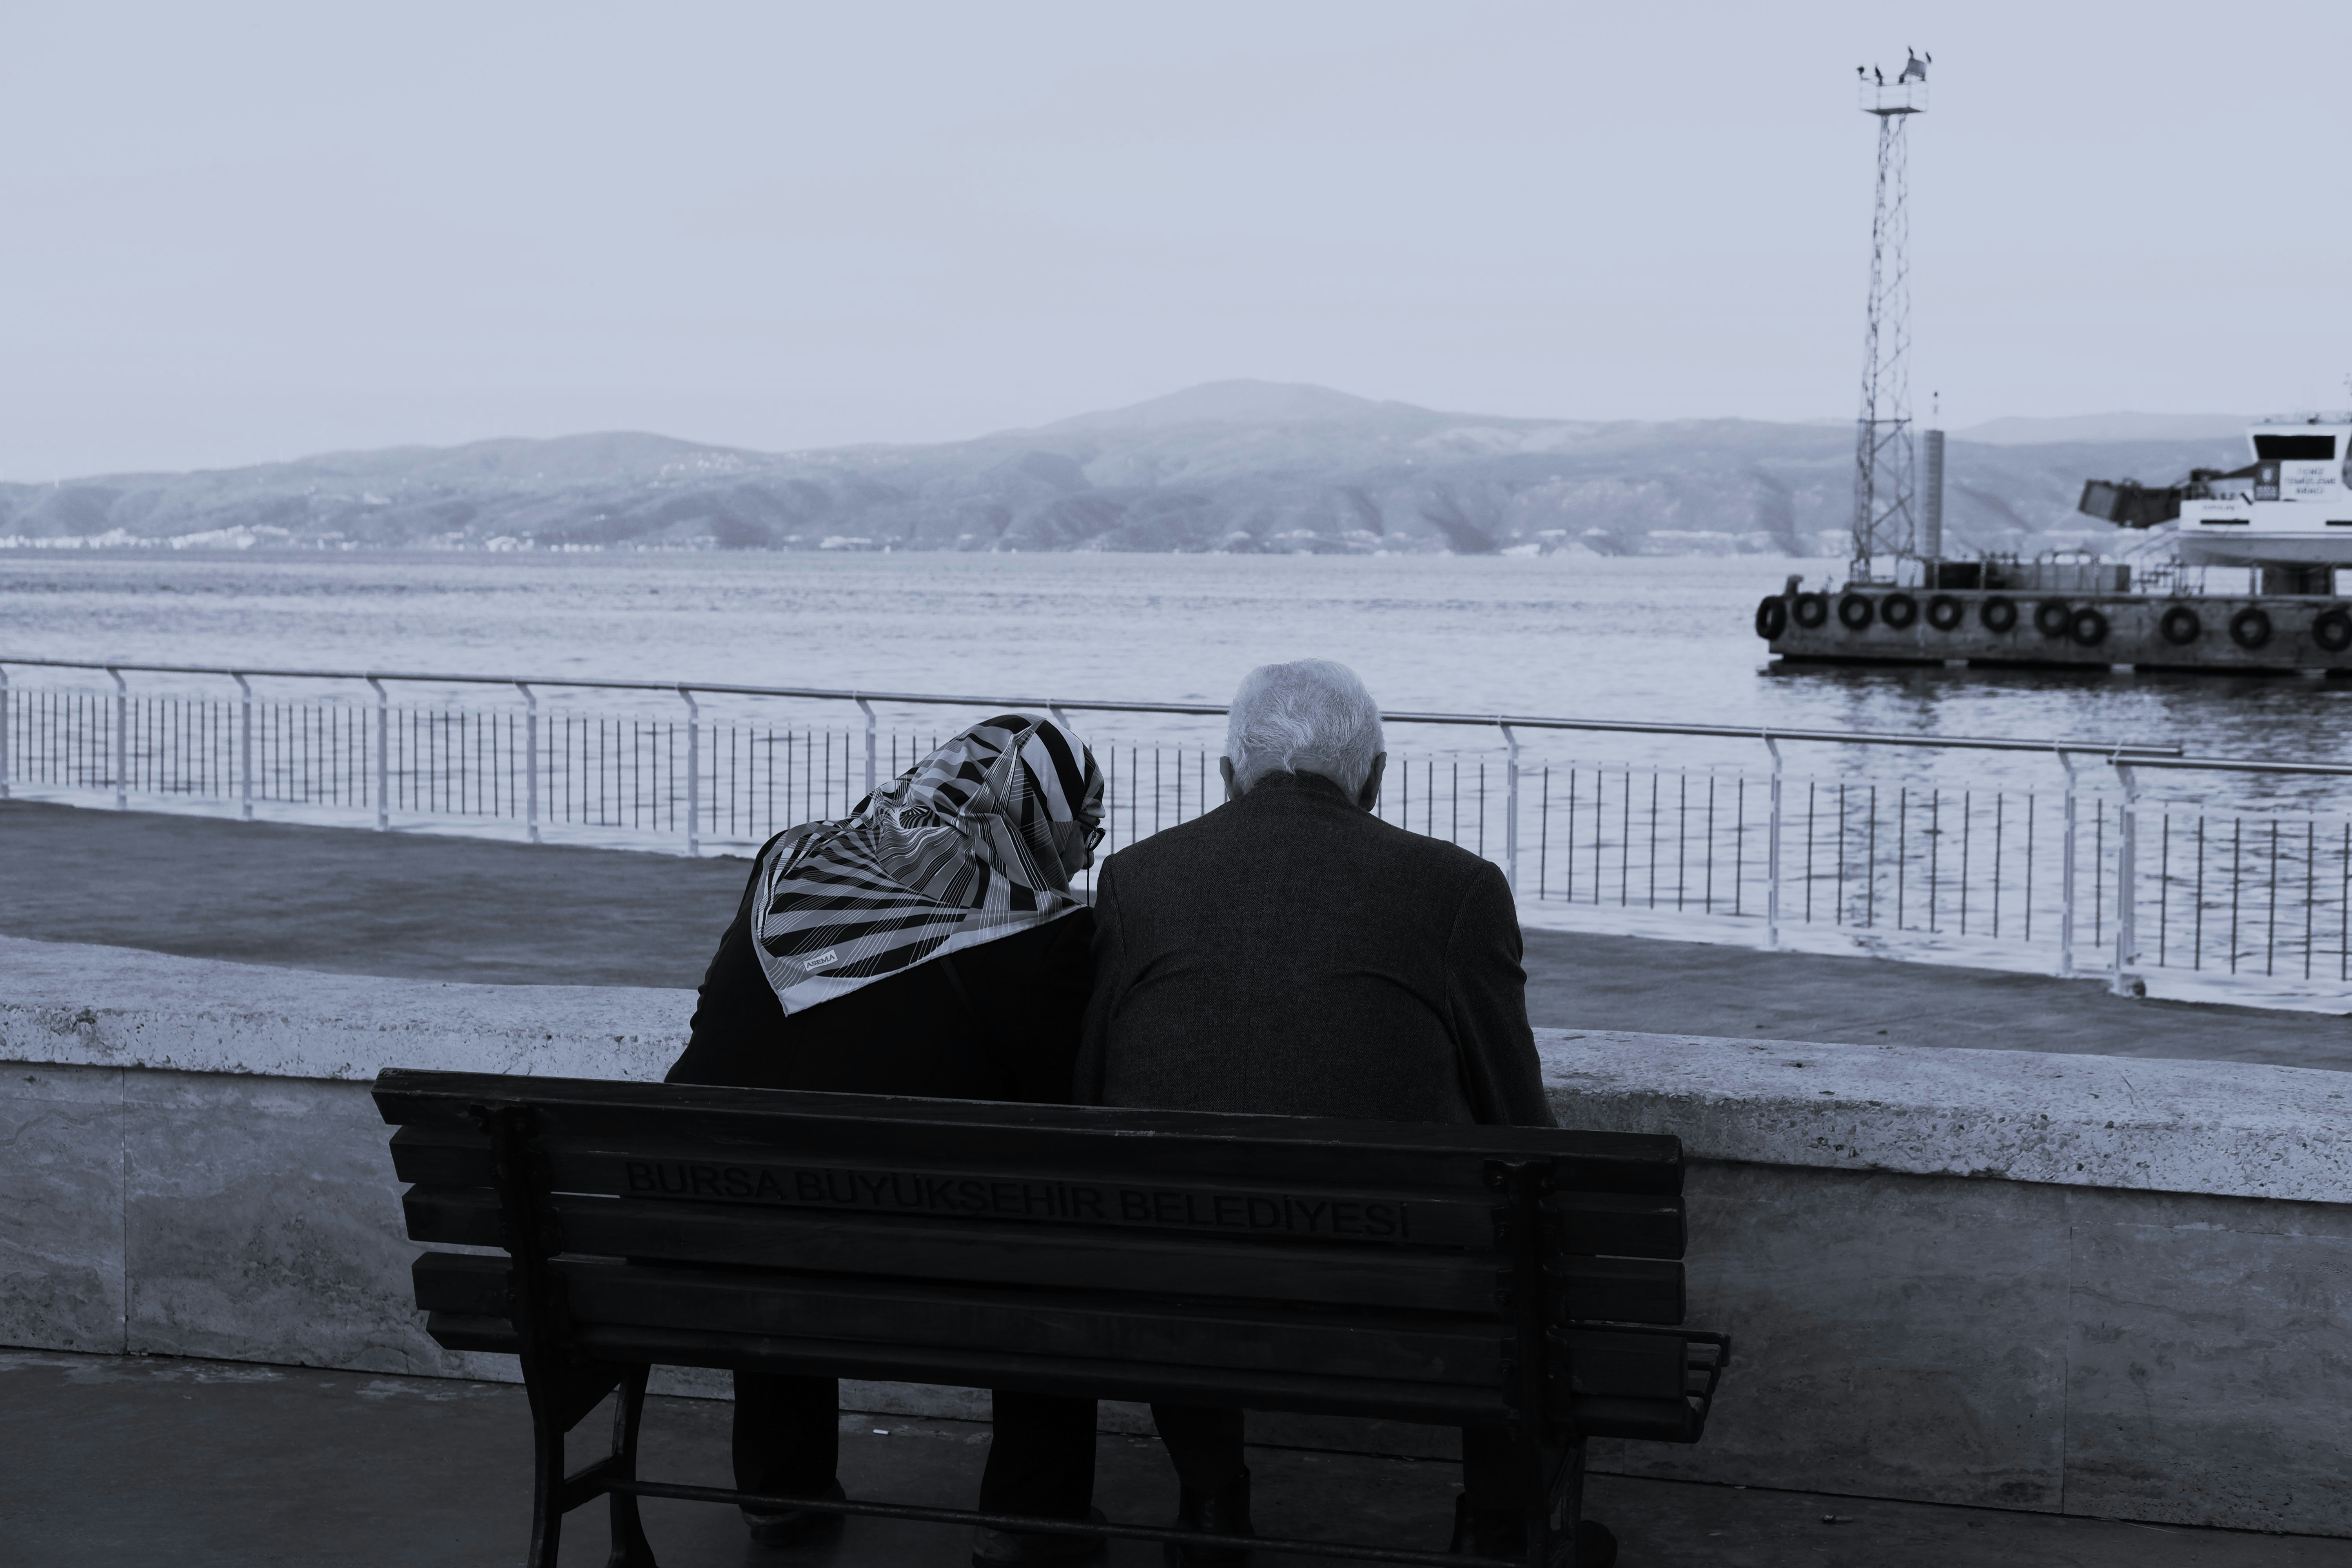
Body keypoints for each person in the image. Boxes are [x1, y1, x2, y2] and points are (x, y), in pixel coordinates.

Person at [1074, 661, 1613, 1568]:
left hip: (1179, 1275)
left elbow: (1092, 1088)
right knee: (1531, 1242)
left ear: (1225, 773)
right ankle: (1494, 1524)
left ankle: (1210, 1505)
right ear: (1375, 777)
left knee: (1172, 1210)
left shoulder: (1136, 878)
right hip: (1396, 1286)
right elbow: (1519, 1113)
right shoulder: (1458, 886)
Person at [666, 712, 1109, 1568]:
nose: (1086, 853)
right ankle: (1032, 1512)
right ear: (1026, 817)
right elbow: (1066, 1108)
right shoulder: (1040, 935)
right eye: (1078, 827)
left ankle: (779, 1490)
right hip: (916, 1267)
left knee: (772, 1175)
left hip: (696, 1236)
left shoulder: (790, 858)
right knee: (1058, 1224)